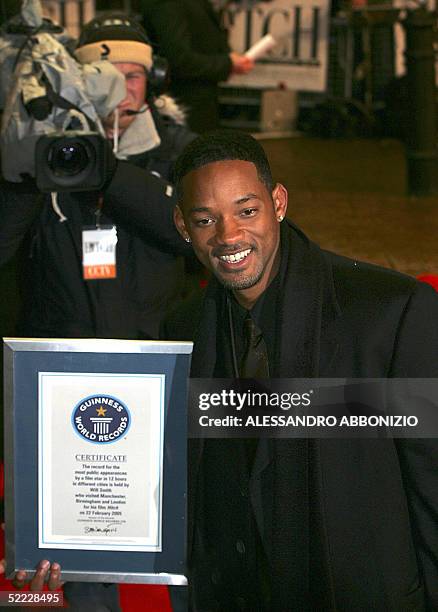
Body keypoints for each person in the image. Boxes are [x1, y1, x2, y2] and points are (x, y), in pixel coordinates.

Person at [161, 129, 438, 610]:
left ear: (279, 203)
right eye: (206, 220)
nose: (229, 236)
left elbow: (432, 483)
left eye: (247, 211)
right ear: (184, 226)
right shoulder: (180, 331)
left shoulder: (391, 312)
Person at [0, 12, 194, 341]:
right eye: (104, 77)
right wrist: (24, 173)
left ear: (153, 81)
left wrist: (111, 174)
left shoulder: (179, 150)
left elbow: (194, 234)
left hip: (152, 348)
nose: (119, 90)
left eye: (132, 76)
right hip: (55, 349)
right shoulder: (46, 149)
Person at [140, 0, 254, 133]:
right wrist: (227, 63)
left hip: (201, 107)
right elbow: (177, 59)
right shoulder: (167, 4)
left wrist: (229, 60)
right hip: (180, 109)